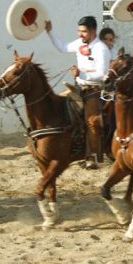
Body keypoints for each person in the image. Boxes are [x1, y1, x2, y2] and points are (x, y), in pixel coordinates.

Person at [45, 16, 110, 169]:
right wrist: (49, 32)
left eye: (84, 31)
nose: (80, 34)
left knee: (91, 121)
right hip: (78, 87)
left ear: (93, 31)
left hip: (94, 90)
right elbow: (63, 47)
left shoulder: (101, 48)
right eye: (79, 31)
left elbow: (101, 73)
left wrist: (80, 74)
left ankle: (92, 156)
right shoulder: (80, 43)